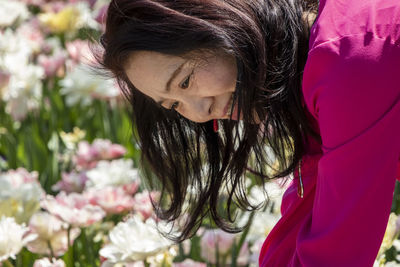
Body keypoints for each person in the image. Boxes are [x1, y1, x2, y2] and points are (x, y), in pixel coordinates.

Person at [96, 0, 400, 266]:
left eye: (185, 82)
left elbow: (337, 253)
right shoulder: (312, 68)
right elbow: (305, 220)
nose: (199, 114)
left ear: (218, 20)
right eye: (173, 103)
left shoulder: (349, 58)